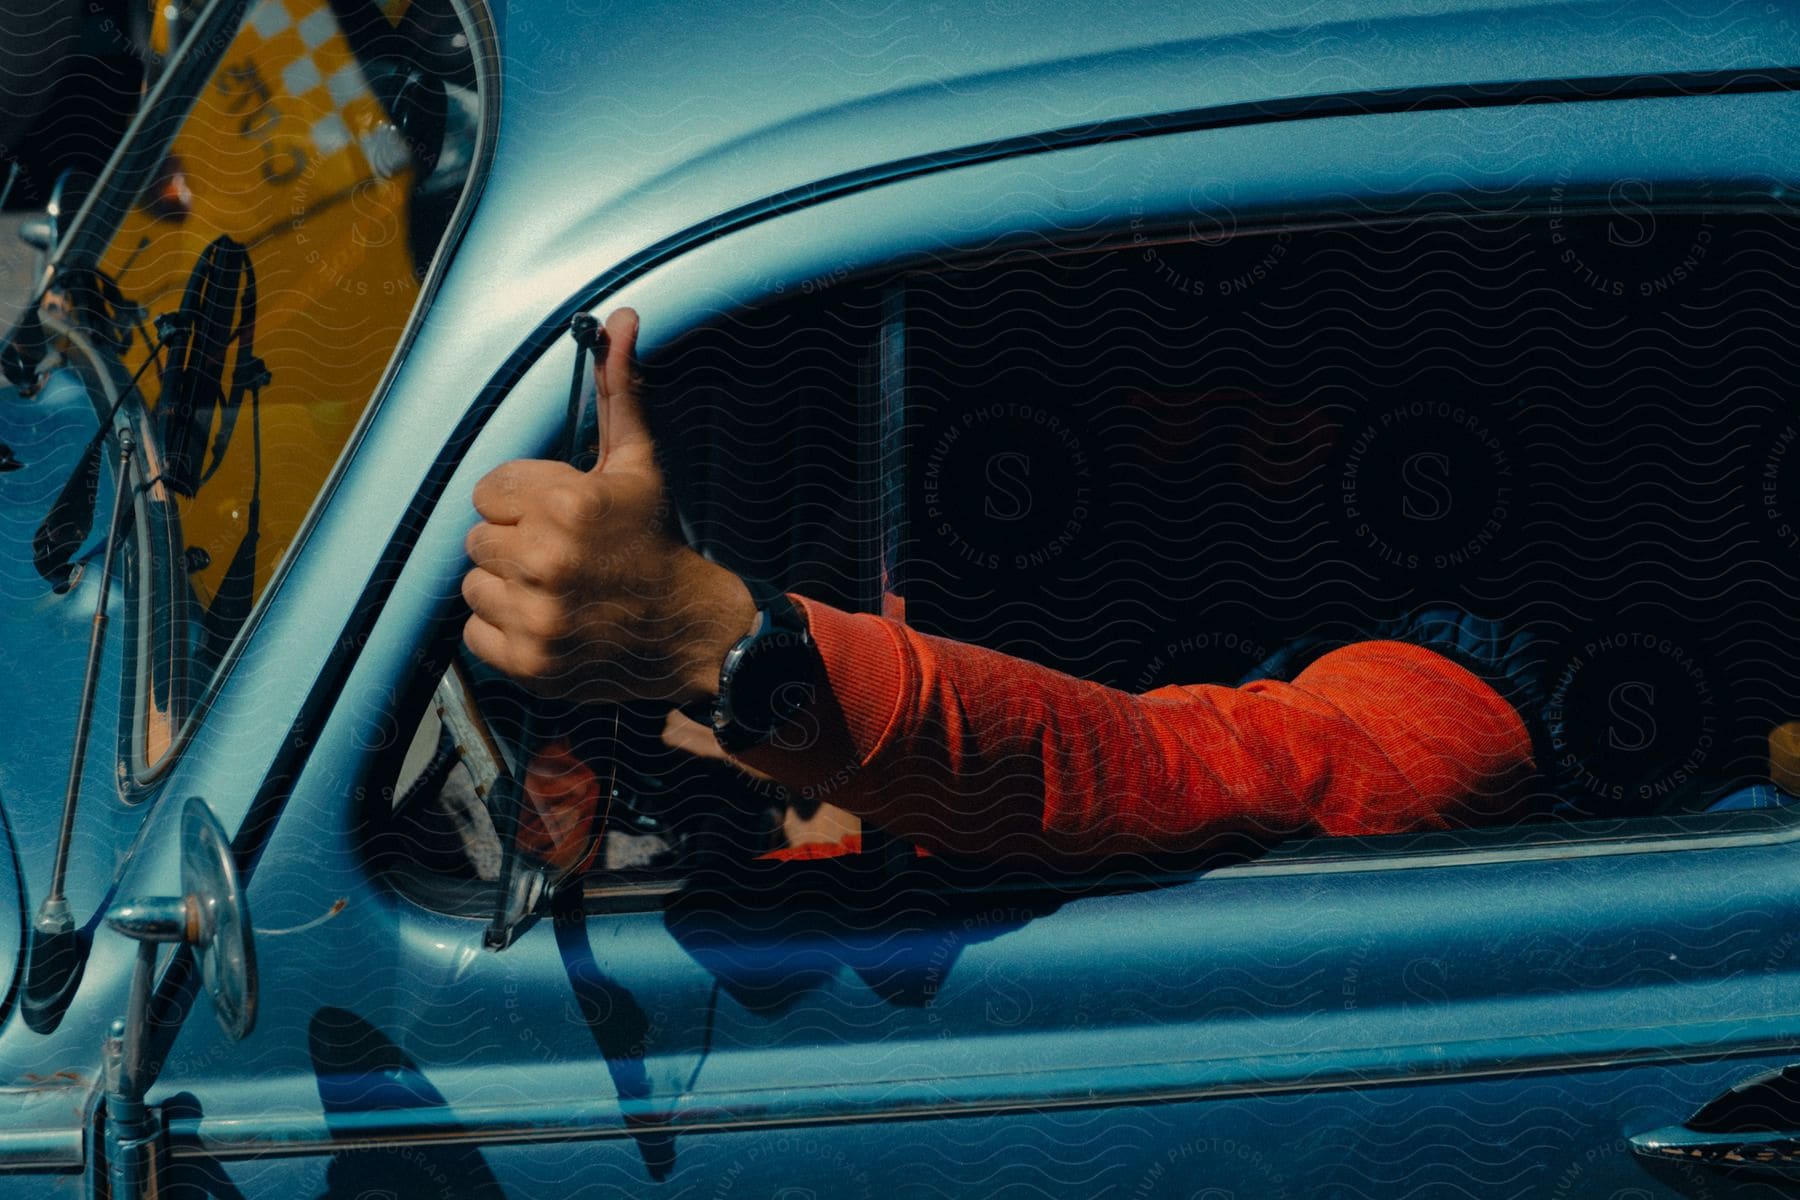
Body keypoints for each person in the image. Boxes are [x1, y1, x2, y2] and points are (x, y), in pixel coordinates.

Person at [461, 309, 1542, 864]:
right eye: (1145, 368)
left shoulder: (1474, 642)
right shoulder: (1010, 545)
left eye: (1278, 374)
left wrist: (729, 648)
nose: (1185, 411)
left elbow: (1228, 770)